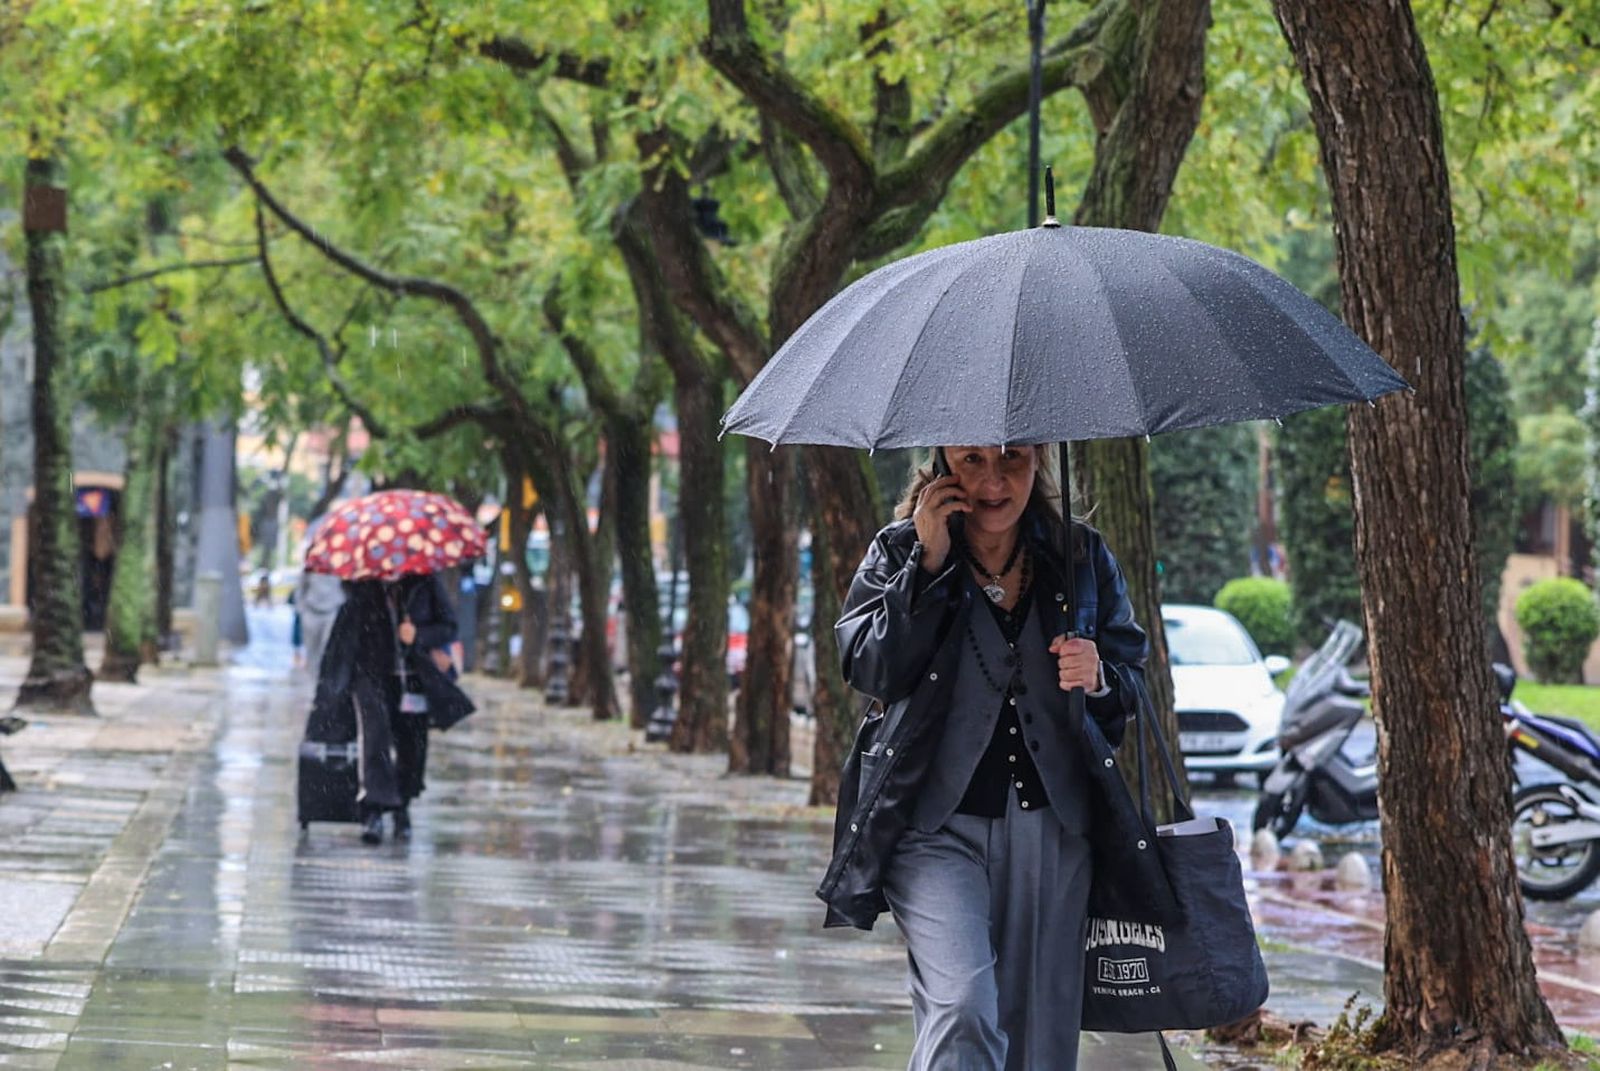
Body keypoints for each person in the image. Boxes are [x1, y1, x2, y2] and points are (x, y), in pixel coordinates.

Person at [818, 444, 1171, 1071]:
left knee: (1039, 1038)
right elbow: (869, 666)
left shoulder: (1078, 554)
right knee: (963, 1006)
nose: (992, 480)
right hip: (933, 828)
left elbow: (1129, 678)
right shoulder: (901, 550)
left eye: (1012, 458)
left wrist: (1098, 678)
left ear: (1039, 459)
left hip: (1055, 830)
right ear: (944, 461)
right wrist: (927, 565)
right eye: (973, 459)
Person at [305, 573, 472, 845]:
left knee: (412, 745)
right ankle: (373, 811)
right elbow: (347, 632)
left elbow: (448, 626)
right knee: (375, 738)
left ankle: (402, 808)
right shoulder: (361, 586)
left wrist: (418, 634)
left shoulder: (425, 582)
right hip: (370, 675)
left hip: (413, 677)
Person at [295, 569, 347, 675]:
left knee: (329, 649)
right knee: (312, 651)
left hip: (333, 610)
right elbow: (301, 588)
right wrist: (302, 610)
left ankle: (327, 679)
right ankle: (314, 679)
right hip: (312, 611)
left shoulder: (341, 564)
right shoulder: (310, 566)